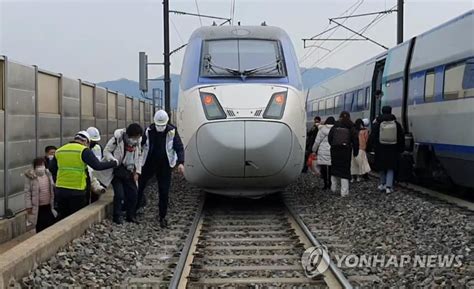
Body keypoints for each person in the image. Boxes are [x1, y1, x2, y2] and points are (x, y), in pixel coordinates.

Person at [49, 131, 117, 219]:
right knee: (76, 216)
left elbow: (52, 168)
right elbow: (98, 166)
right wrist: (113, 163)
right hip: (77, 189)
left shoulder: (60, 150)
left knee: (62, 216)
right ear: (86, 142)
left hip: (61, 189)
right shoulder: (84, 150)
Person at [138, 110, 185, 228]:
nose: (160, 128)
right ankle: (135, 209)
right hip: (149, 163)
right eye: (158, 125)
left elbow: (179, 147)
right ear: (154, 123)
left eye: (162, 125)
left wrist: (180, 162)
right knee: (140, 185)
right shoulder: (148, 131)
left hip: (165, 165)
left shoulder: (172, 132)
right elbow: (140, 145)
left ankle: (162, 216)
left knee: (164, 191)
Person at [99, 123, 144, 224]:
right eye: (135, 136)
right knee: (119, 194)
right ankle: (117, 216)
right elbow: (106, 151)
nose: (137, 139)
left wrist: (138, 171)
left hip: (130, 170)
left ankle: (130, 215)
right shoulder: (118, 138)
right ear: (130, 134)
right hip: (117, 170)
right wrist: (113, 160)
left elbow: (139, 156)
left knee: (133, 193)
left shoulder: (137, 142)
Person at [368, 106, 404, 194]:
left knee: (381, 167)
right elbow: (401, 137)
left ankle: (381, 184)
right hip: (393, 149)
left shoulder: (377, 123)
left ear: (382, 111)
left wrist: (370, 147)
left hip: (380, 149)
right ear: (391, 111)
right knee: (391, 168)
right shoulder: (396, 124)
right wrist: (401, 149)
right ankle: (388, 186)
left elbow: (372, 136)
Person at [328, 111, 359, 197]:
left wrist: (333, 146)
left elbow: (330, 138)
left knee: (334, 169)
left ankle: (333, 189)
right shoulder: (351, 126)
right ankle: (344, 192)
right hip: (345, 151)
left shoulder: (335, 125)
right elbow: (355, 139)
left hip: (335, 150)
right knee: (345, 171)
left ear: (340, 117)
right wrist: (355, 151)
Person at [24, 158, 57, 233]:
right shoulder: (31, 177)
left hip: (49, 204)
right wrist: (28, 206)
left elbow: (52, 186)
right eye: (38, 165)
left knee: (50, 223)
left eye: (42, 165)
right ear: (35, 167)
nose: (41, 167)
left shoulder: (48, 174)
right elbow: (27, 192)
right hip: (38, 206)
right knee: (40, 224)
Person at [312, 117, 335, 190]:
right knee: (331, 169)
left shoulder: (322, 130)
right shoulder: (335, 130)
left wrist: (314, 150)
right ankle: (331, 184)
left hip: (322, 151)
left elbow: (317, 141)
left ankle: (325, 185)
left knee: (324, 169)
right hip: (332, 150)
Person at [85, 127, 106, 204]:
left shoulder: (98, 147)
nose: (95, 143)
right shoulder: (83, 149)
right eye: (93, 141)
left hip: (96, 174)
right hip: (87, 175)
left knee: (95, 197)